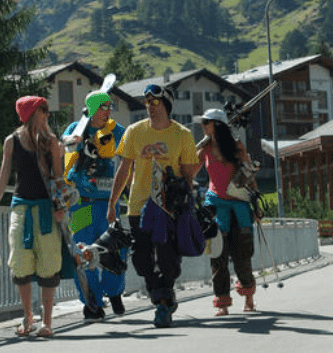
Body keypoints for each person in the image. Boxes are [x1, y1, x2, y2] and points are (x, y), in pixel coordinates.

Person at [107, 83, 200, 328]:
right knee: (141, 258)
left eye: (155, 102)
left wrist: (188, 207)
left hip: (169, 207)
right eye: (147, 103)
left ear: (166, 105)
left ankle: (163, 300)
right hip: (138, 206)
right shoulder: (135, 131)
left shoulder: (182, 135)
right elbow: (124, 170)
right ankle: (160, 296)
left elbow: (190, 174)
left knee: (167, 254)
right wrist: (112, 203)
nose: (150, 107)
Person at [0, 95, 65, 338]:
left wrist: (61, 207)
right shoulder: (12, 141)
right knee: (20, 262)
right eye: (43, 110)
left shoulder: (52, 142)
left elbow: (59, 179)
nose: (47, 114)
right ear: (31, 114)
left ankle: (47, 323)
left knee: (48, 264)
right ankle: (27, 319)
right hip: (21, 208)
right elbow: (3, 177)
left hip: (47, 209)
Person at [61, 91, 128, 322]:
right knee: (82, 252)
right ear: (92, 108)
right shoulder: (76, 127)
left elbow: (130, 145)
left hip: (108, 203)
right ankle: (93, 303)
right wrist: (74, 142)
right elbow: (64, 146)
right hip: (81, 204)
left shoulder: (114, 129)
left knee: (115, 247)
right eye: (104, 106)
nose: (109, 110)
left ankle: (115, 291)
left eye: (110, 106)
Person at [197, 107, 258, 315]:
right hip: (215, 206)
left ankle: (249, 296)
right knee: (217, 256)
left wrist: (257, 203)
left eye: (206, 122)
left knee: (242, 256)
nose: (203, 126)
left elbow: (248, 174)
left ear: (217, 125)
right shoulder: (204, 149)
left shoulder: (236, 146)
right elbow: (189, 171)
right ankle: (222, 302)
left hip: (239, 205)